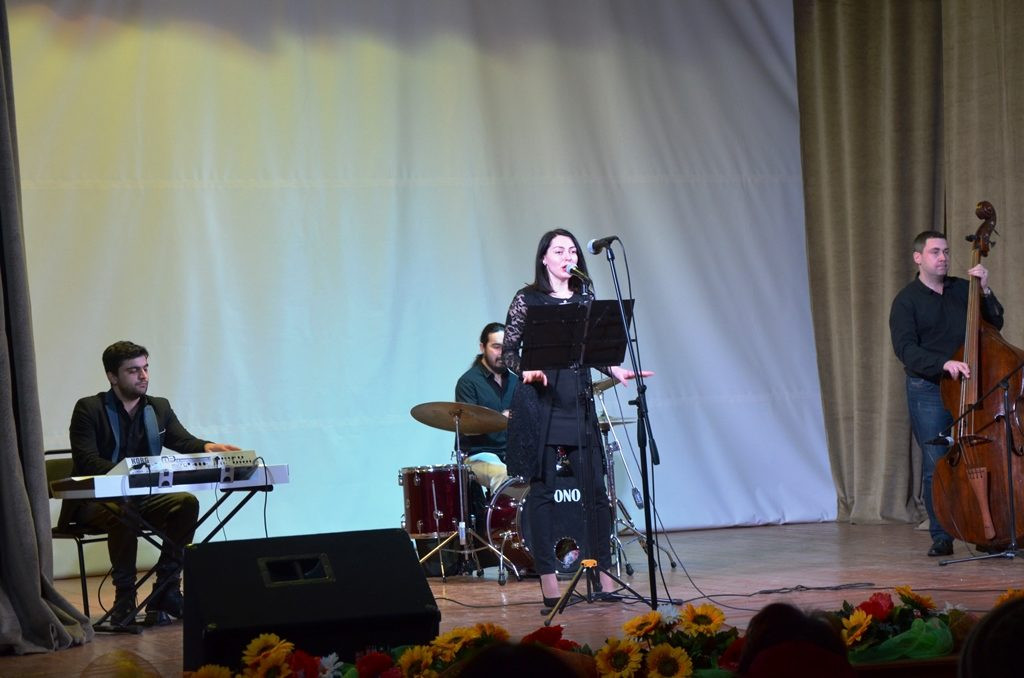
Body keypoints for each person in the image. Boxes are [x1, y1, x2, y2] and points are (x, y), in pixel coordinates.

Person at [502, 228, 651, 608]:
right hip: (542, 407)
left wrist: (614, 369)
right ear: (544, 258)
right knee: (543, 494)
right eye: (559, 250)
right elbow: (509, 352)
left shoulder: (585, 297)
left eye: (572, 250)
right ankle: (550, 584)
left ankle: (604, 578)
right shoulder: (527, 299)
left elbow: (590, 350)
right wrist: (525, 370)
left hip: (577, 405)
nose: (567, 256)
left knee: (597, 494)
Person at [63, 340, 240, 626]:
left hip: (141, 497)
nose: (143, 375)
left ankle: (166, 589)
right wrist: (135, 472)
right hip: (95, 502)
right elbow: (87, 461)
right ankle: (124, 598)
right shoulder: (89, 409)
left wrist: (208, 447)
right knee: (124, 510)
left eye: (145, 368)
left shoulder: (158, 407)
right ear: (112, 376)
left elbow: (182, 440)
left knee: (185, 503)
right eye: (133, 370)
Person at [889, 230, 1004, 557]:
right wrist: (943, 363)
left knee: (981, 456)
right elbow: (905, 349)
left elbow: (995, 323)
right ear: (918, 258)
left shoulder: (964, 289)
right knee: (937, 463)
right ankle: (942, 536)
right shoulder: (906, 301)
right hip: (929, 388)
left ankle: (987, 530)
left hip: (970, 385)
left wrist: (985, 290)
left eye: (946, 252)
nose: (943, 257)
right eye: (935, 252)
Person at [454, 322, 517, 493]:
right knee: (502, 473)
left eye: (506, 348)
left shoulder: (516, 381)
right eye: (496, 347)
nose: (502, 353)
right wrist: (500, 420)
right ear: (482, 347)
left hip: (511, 453)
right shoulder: (468, 382)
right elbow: (469, 428)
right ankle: (505, 511)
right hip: (478, 455)